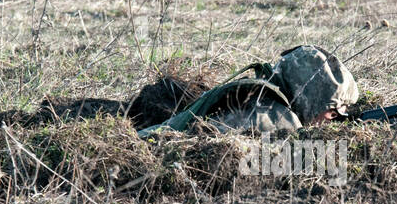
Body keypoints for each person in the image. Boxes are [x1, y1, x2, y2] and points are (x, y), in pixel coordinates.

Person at [138, 45, 359, 136]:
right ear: (312, 99)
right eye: (335, 111)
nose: (336, 119)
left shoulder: (269, 100)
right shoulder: (273, 119)